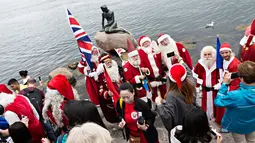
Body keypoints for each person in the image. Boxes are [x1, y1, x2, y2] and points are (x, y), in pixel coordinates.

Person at [214, 61, 255, 143]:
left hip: (237, 126)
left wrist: (225, 84)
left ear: (242, 79)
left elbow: (218, 101)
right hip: (253, 124)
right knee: (252, 140)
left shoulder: (234, 95)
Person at [155, 63, 195, 142]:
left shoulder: (171, 95)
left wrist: (159, 104)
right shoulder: (191, 84)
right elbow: (189, 72)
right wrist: (181, 61)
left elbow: (168, 117)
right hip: (192, 124)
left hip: (179, 130)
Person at [193, 46, 222, 124]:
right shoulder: (200, 63)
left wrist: (220, 84)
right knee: (204, 105)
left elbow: (221, 76)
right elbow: (197, 76)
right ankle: (206, 119)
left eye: (209, 54)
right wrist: (197, 86)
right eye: (205, 55)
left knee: (216, 105)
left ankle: (216, 119)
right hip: (205, 90)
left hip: (215, 90)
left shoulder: (218, 64)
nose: (207, 57)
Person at [89, 53, 120, 123]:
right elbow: (100, 89)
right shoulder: (101, 75)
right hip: (111, 96)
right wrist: (107, 93)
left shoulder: (115, 68)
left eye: (110, 62)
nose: (109, 63)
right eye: (107, 62)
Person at [137, 36, 167, 102]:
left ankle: (165, 99)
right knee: (154, 91)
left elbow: (160, 59)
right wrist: (143, 68)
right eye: (144, 43)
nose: (146, 44)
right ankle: (155, 102)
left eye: (147, 42)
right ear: (142, 45)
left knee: (163, 89)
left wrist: (158, 51)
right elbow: (141, 63)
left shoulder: (154, 48)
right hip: (151, 77)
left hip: (161, 74)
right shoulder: (140, 52)